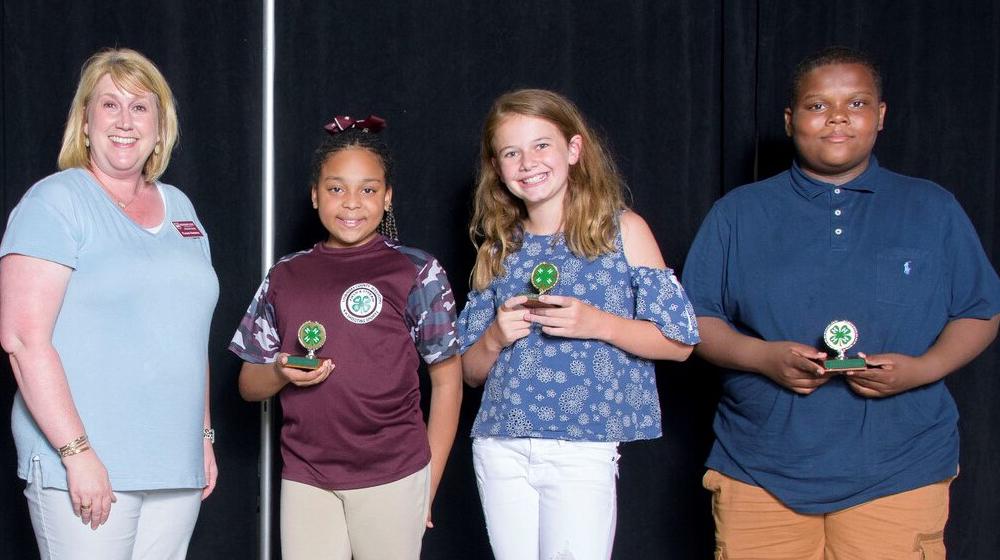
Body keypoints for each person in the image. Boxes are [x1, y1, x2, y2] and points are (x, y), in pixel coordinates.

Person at [682, 46, 1000, 559]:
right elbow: (696, 318)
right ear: (790, 121)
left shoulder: (931, 206)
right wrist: (764, 358)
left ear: (880, 117)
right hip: (761, 470)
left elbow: (980, 310)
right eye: (816, 105)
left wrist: (923, 369)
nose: (836, 118)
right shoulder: (737, 213)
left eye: (855, 104)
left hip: (901, 469)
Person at [458, 89, 700, 560]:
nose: (528, 162)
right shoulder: (498, 246)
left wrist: (598, 323)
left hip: (580, 448)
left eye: (541, 145)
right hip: (500, 445)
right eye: (512, 152)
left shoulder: (622, 231)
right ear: (497, 166)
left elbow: (679, 343)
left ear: (573, 150)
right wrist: (493, 337)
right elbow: (468, 372)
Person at [0, 48, 219, 559]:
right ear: (84, 122)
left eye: (140, 107)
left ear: (160, 128)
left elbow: (190, 337)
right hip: (87, 465)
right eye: (110, 105)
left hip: (174, 465)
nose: (125, 121)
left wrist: (203, 435)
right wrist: (76, 454)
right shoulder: (54, 202)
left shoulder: (181, 208)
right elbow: (22, 341)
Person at [229, 115, 463, 560]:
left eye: (368, 189)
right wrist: (280, 371)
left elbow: (447, 381)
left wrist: (426, 484)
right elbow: (247, 383)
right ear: (315, 195)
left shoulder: (416, 271)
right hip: (306, 476)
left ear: (388, 197)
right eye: (336, 188)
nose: (351, 202)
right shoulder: (285, 274)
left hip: (394, 473)